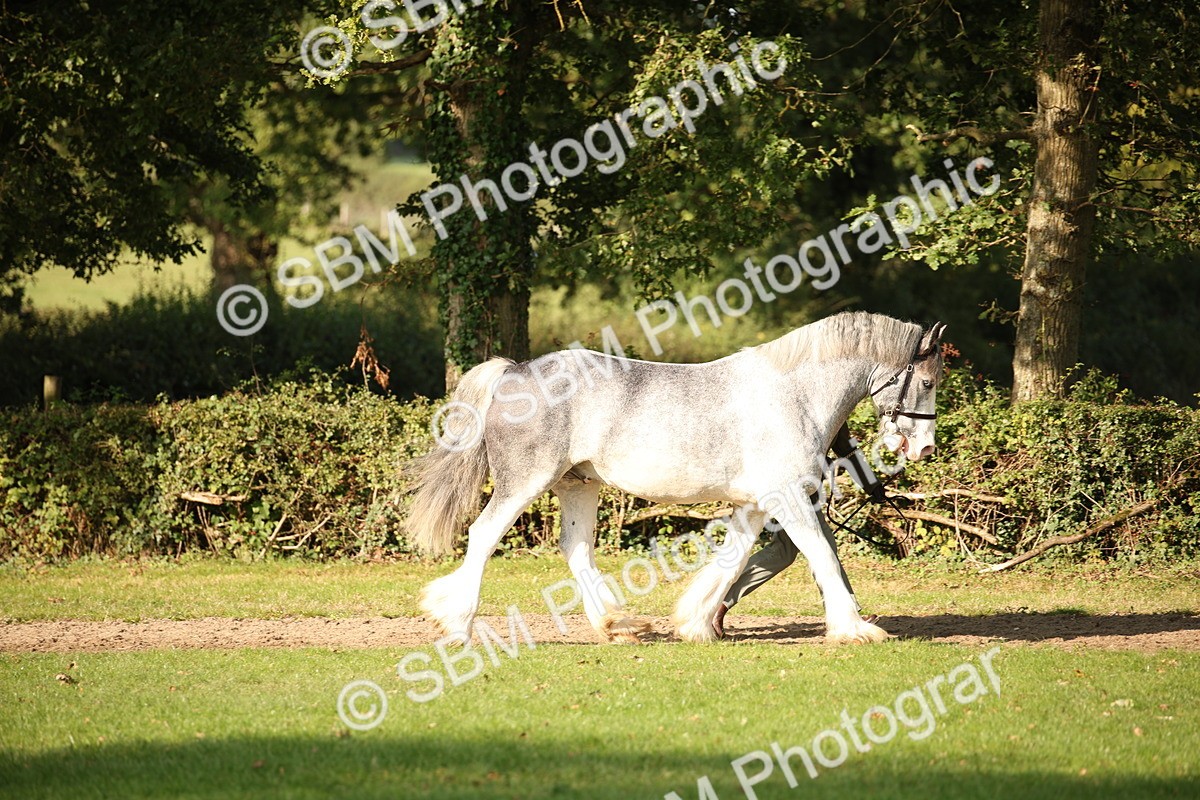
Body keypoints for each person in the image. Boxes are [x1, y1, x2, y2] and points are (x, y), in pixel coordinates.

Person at [712, 423, 887, 639]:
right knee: (819, 546)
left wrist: (871, 485)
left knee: (784, 552)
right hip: (786, 491)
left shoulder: (834, 410)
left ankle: (717, 601)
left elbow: (846, 449)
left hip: (803, 495)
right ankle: (847, 614)